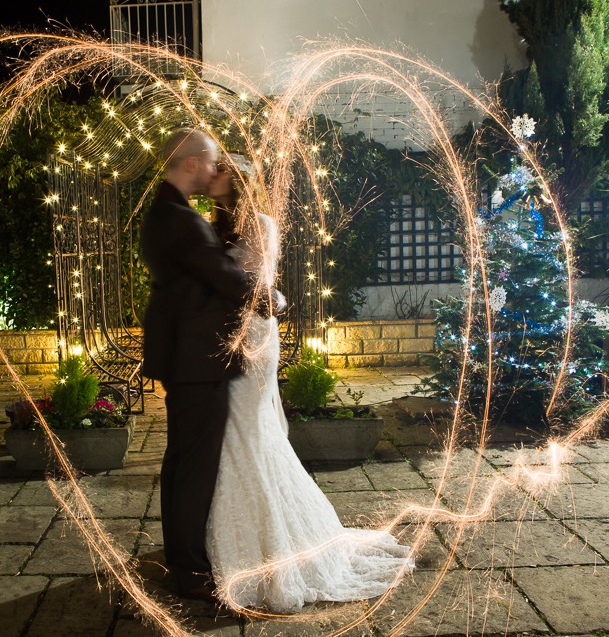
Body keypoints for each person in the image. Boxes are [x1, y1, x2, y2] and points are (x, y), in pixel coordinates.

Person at [205, 154, 415, 613]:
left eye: (220, 169)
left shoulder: (262, 224)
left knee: (247, 432)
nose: (211, 175)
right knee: (236, 436)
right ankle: (251, 536)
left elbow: (253, 284)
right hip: (225, 337)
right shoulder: (215, 227)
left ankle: (275, 550)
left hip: (253, 336)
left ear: (238, 181)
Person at [139, 129, 285, 603]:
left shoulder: (168, 212)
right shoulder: (182, 219)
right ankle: (192, 572)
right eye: (209, 163)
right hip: (197, 360)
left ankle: (181, 556)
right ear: (190, 163)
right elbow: (219, 273)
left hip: (188, 355)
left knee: (181, 459)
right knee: (195, 465)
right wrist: (269, 297)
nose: (213, 170)